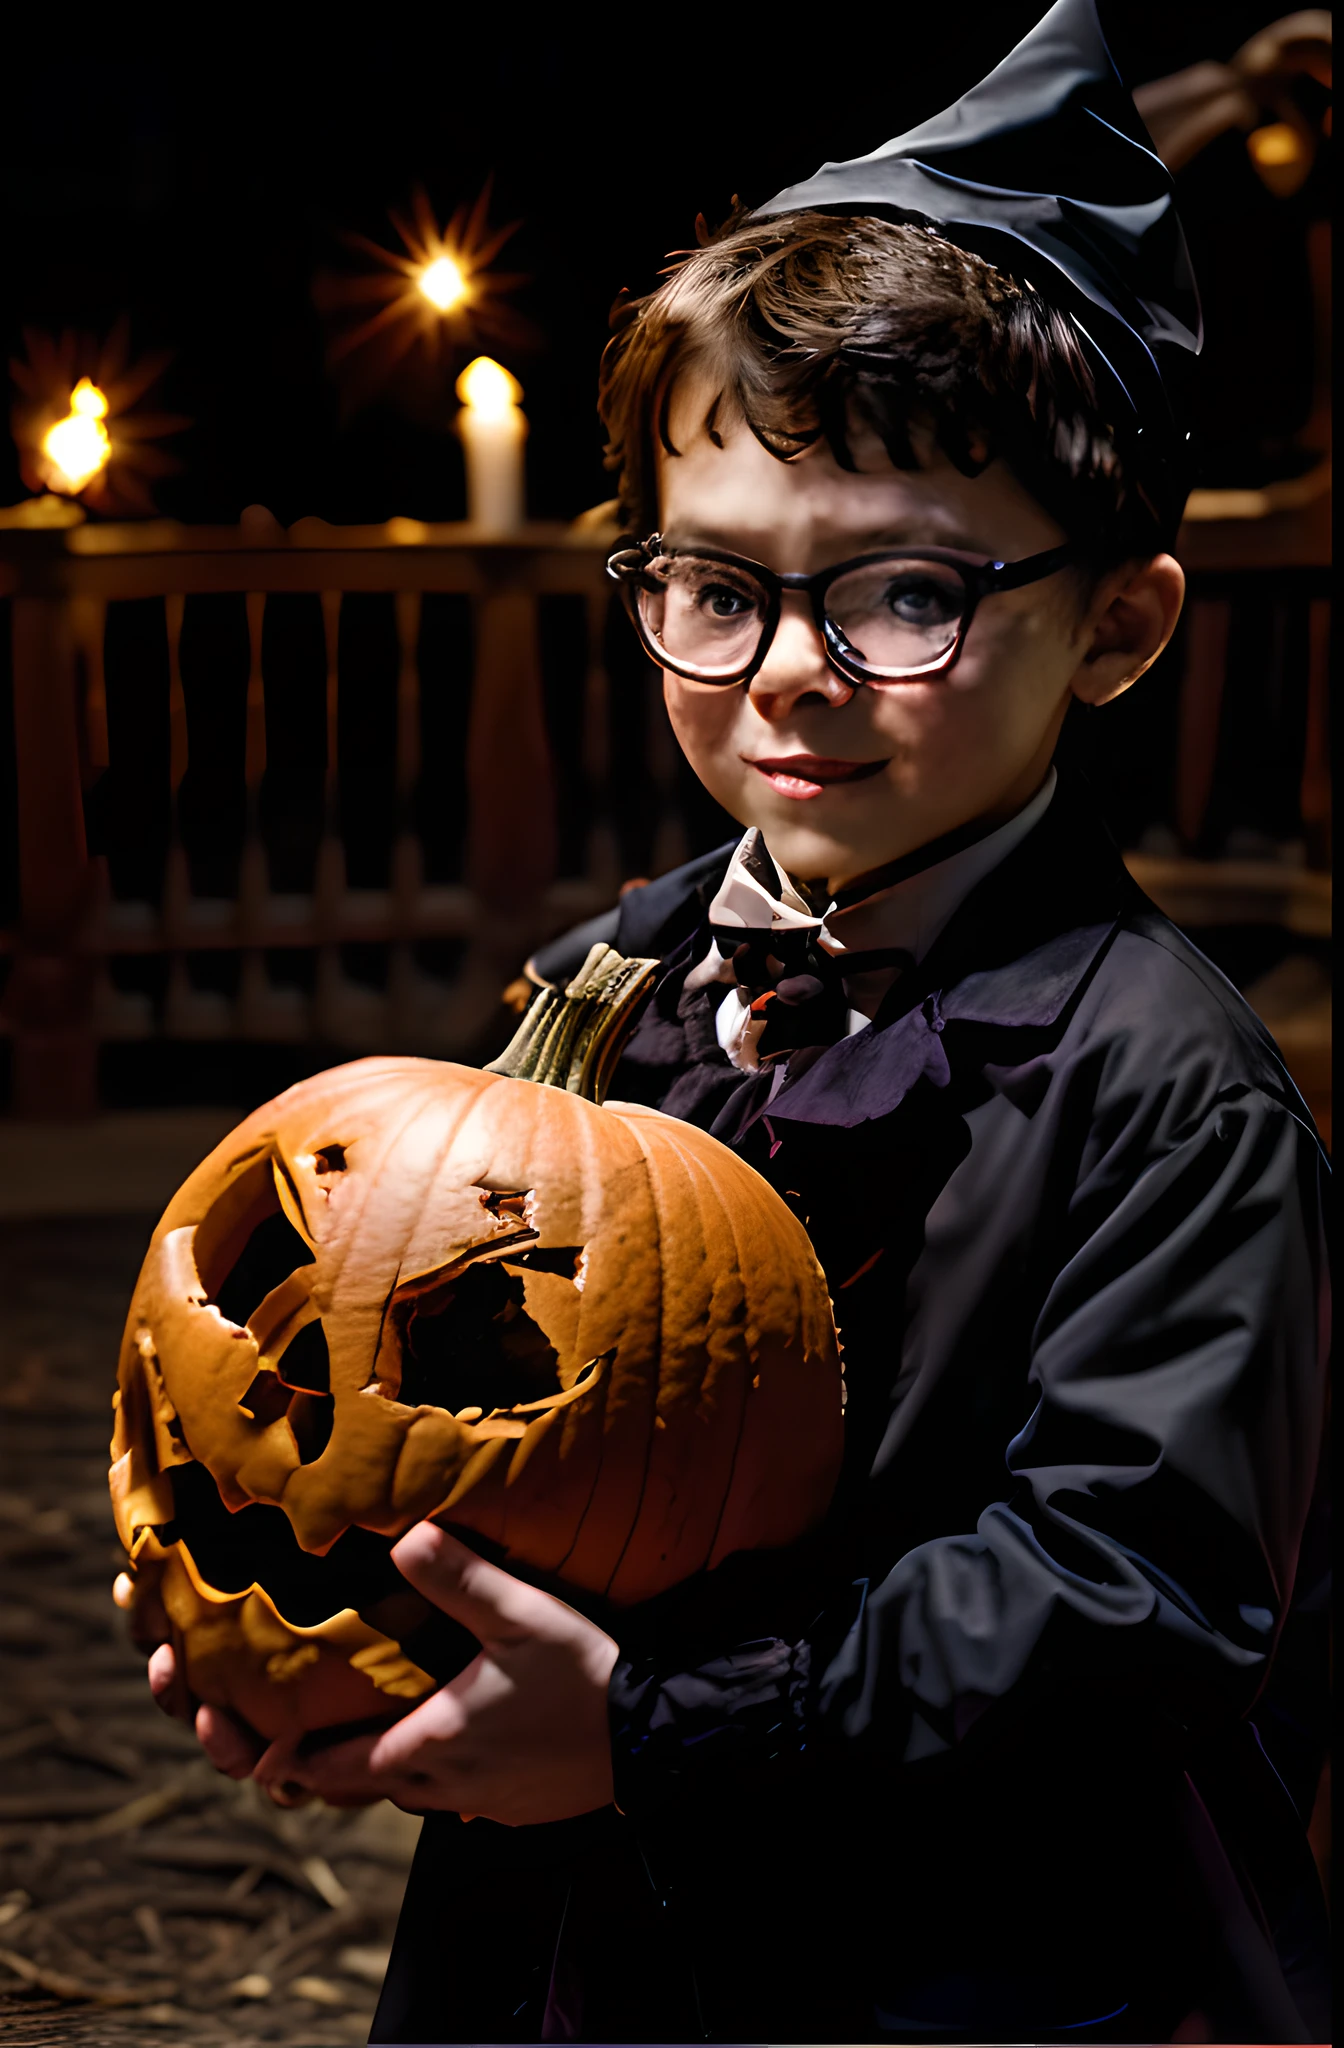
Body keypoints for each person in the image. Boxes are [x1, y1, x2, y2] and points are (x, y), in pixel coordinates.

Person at [146, 2, 1331, 2040]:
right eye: (714, 585)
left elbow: (1133, 1596)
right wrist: (334, 1626)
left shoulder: (1166, 1085)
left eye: (901, 598)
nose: (789, 673)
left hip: (953, 1941)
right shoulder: (607, 980)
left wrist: (656, 1728)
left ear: (1117, 626)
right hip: (578, 1923)